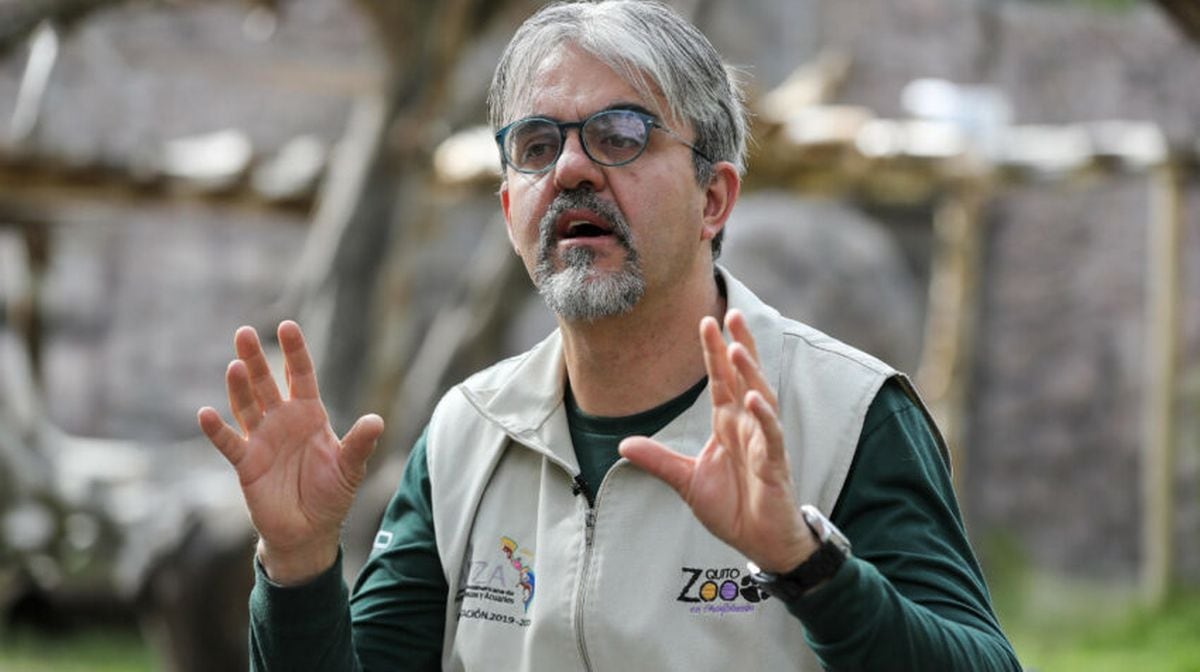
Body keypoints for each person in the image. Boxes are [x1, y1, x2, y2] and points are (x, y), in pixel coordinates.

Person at [198, 1, 1022, 670]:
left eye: (621, 135)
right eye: (536, 144)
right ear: (510, 209)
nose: (570, 170)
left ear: (714, 198)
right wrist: (300, 564)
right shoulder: (466, 434)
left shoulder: (848, 414)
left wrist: (806, 564)